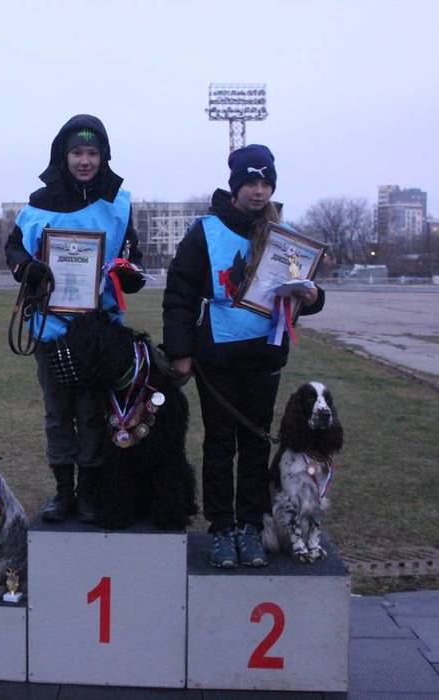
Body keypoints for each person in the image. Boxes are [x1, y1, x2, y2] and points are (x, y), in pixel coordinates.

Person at [162, 144, 324, 569]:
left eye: (265, 182)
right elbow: (178, 292)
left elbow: (304, 290)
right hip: (216, 359)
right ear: (235, 186)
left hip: (264, 357)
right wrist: (180, 352)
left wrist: (313, 294)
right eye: (250, 182)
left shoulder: (283, 236)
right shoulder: (206, 231)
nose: (258, 190)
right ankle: (221, 529)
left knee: (255, 444)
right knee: (219, 445)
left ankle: (251, 526)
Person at [4, 114, 145, 524]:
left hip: (96, 330)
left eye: (93, 153)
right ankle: (63, 492)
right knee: (57, 413)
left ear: (104, 156)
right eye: (77, 153)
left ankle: (89, 493)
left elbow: (132, 258)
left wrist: (127, 273)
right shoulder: (37, 203)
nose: (85, 161)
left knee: (91, 412)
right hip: (50, 328)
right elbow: (14, 249)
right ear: (63, 156)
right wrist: (26, 268)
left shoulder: (118, 202)